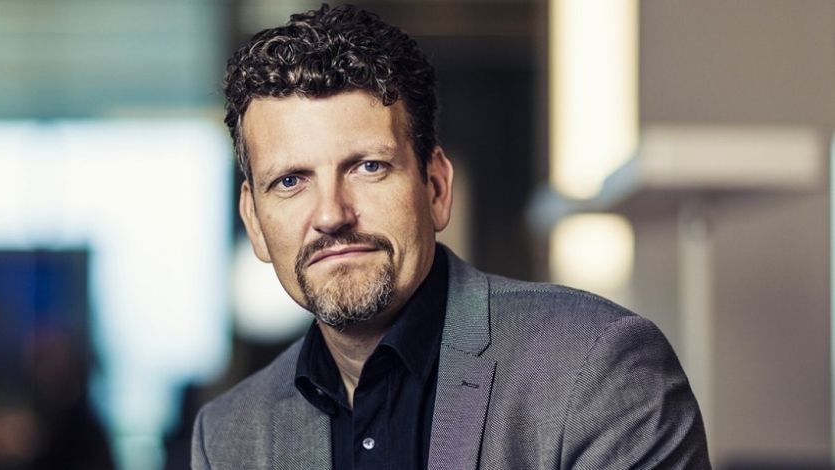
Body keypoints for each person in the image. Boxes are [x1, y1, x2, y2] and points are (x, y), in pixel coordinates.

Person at [192, 4, 710, 469]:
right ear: (254, 222)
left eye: (369, 167)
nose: (331, 214)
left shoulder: (596, 368)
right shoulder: (228, 436)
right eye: (290, 181)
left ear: (436, 187)